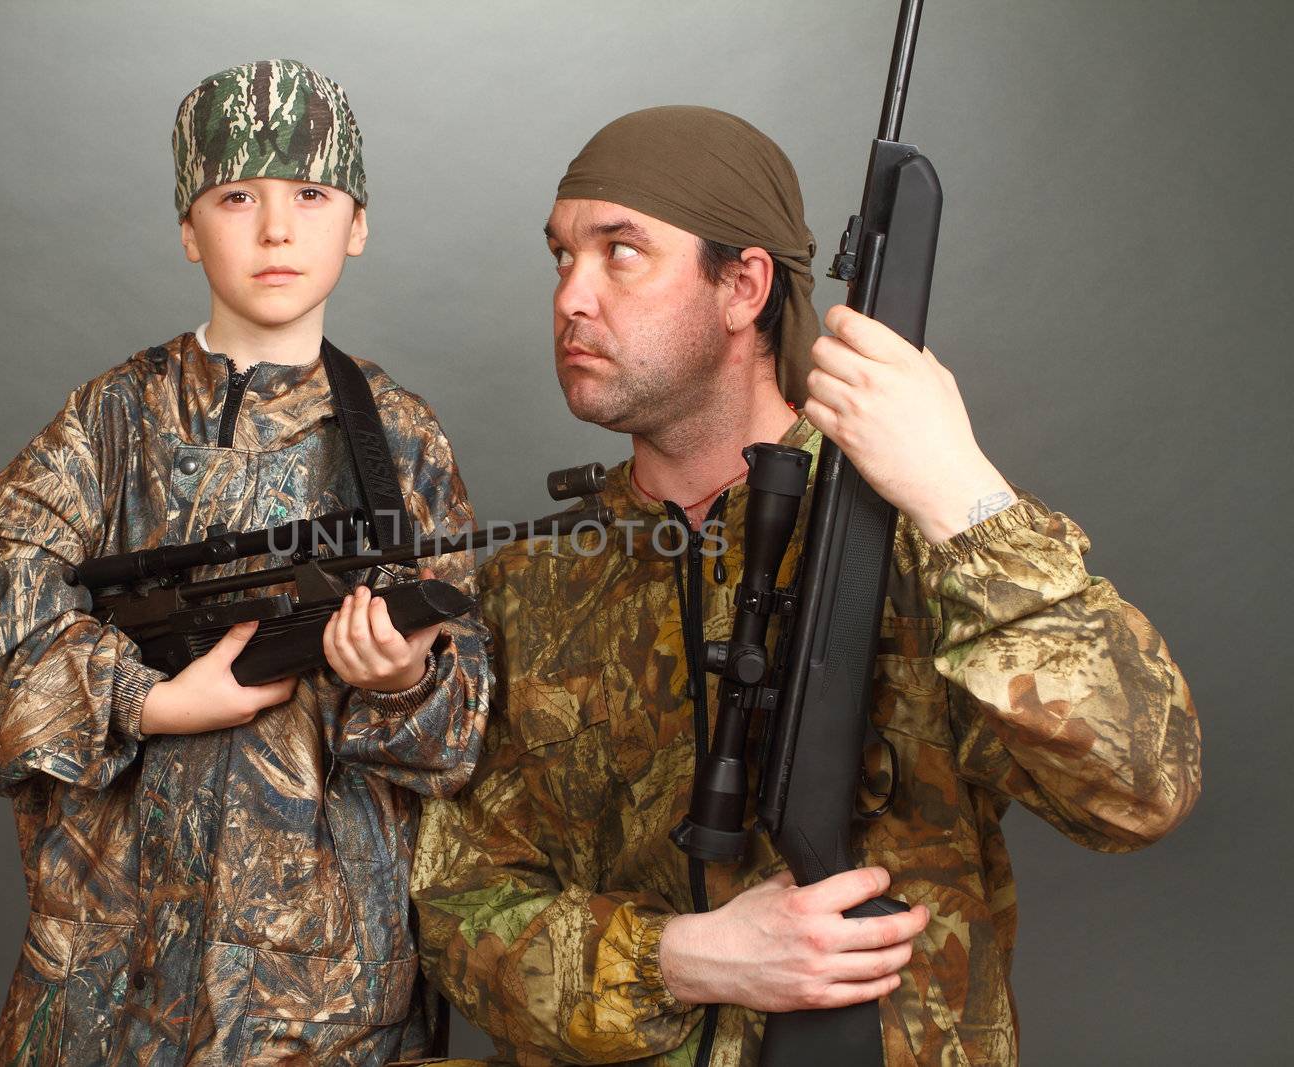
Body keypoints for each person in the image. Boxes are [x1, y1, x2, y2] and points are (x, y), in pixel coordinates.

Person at [410, 106, 1200, 1066]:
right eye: (561, 256)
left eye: (620, 252)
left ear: (743, 285)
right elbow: (457, 910)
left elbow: (1138, 791)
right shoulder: (536, 584)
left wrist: (962, 492)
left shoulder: (921, 532)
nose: (573, 295)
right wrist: (679, 959)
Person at [0, 59, 489, 1065]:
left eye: (310, 194)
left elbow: (465, 729)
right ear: (187, 228)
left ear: (357, 223)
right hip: (102, 996)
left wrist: (402, 681)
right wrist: (149, 700)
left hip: (323, 1012)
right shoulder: (107, 423)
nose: (275, 228)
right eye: (235, 196)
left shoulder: (397, 439)